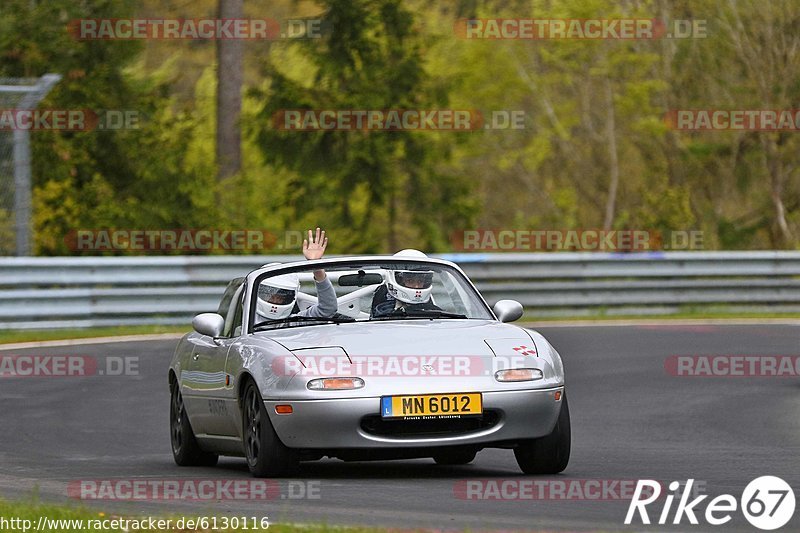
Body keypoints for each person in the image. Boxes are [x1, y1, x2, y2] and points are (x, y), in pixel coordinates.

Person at [256, 228, 338, 322]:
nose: (274, 301)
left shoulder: (295, 322)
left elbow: (327, 309)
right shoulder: (245, 319)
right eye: (269, 294)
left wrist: (317, 266)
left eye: (280, 297)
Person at [370, 249, 442, 318]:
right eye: (410, 281)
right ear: (396, 278)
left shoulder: (435, 312)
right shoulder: (382, 305)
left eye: (420, 281)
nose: (416, 286)